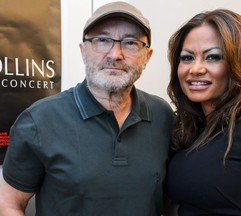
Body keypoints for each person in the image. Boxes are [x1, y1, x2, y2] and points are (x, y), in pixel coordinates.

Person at [0, 1, 175, 215]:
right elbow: (8, 203)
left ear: (147, 57)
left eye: (130, 43)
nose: (115, 54)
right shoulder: (39, 120)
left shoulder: (163, 115)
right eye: (102, 40)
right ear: (83, 51)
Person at [165, 9, 241, 215]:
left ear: (238, 63)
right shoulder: (189, 128)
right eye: (187, 58)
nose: (195, 69)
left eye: (212, 57)